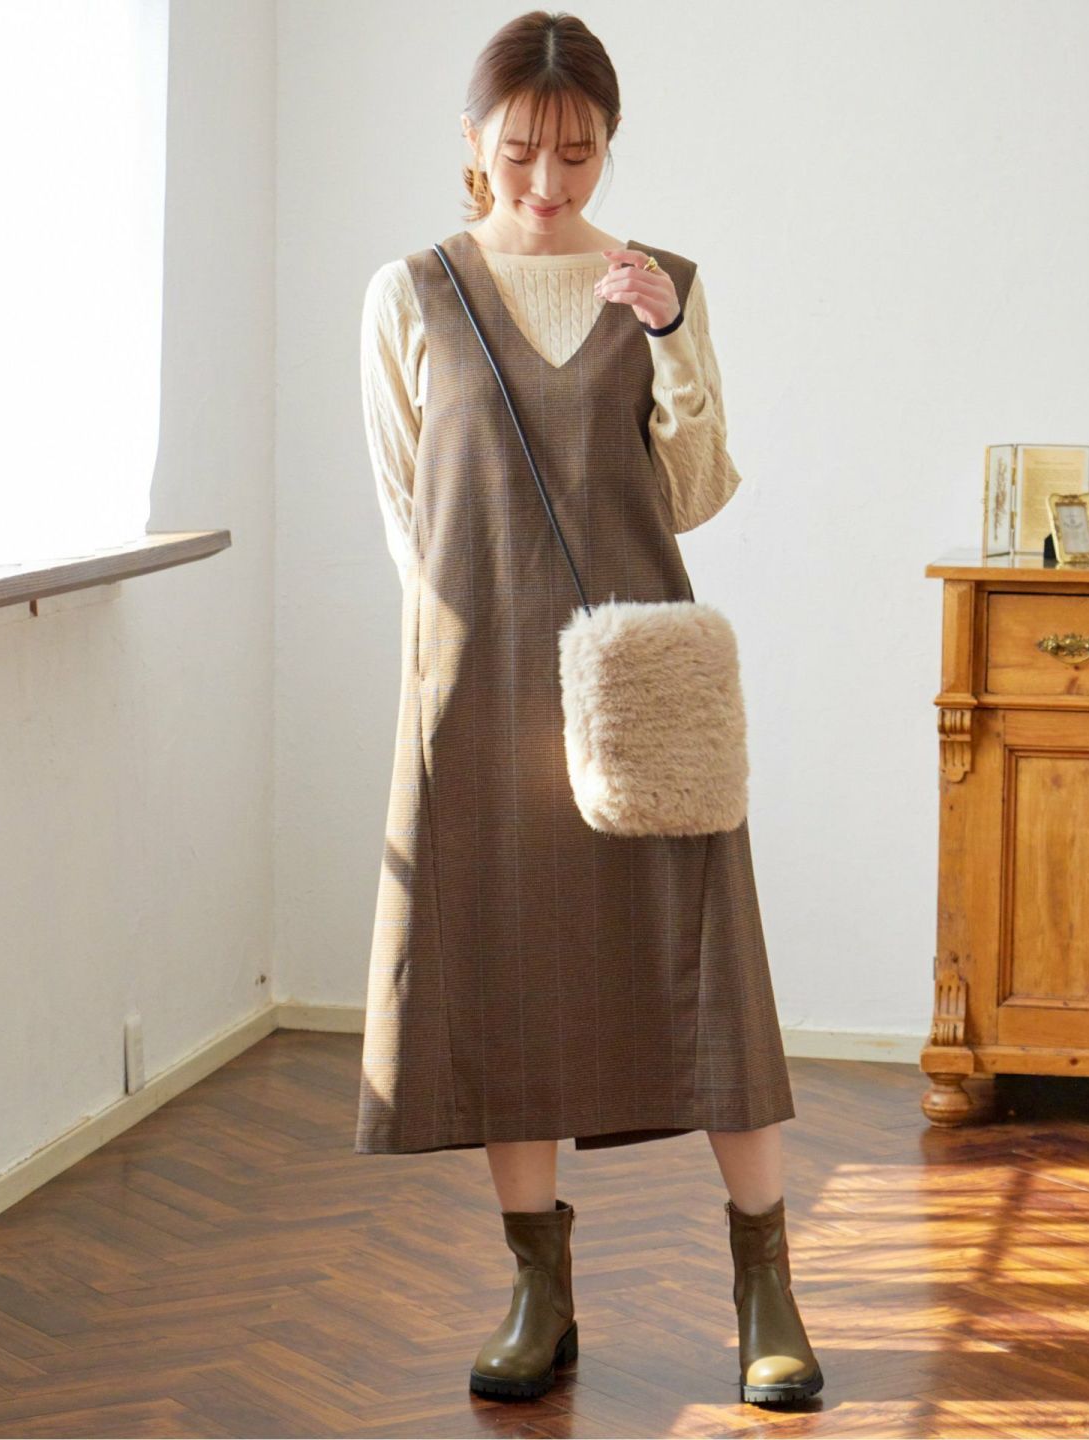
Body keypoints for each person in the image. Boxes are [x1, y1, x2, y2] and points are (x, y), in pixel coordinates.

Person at [355, 8, 823, 1410]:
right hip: (481, 687)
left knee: (706, 972)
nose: (548, 183)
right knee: (511, 979)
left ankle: (766, 1287)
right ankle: (538, 1292)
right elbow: (406, 514)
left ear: (610, 143)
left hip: (641, 685)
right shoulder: (410, 294)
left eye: (578, 153)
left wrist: (669, 338)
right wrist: (443, 680)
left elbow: (696, 494)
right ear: (473, 140)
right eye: (521, 152)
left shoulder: (656, 285)